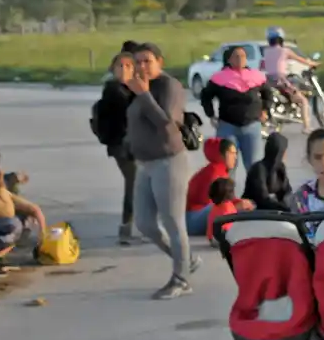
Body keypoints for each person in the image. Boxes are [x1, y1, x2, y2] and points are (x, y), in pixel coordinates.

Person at [127, 41, 199, 299]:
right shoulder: (136, 87)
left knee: (172, 221)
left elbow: (166, 123)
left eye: (148, 61)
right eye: (138, 61)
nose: (142, 66)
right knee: (145, 223)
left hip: (168, 161)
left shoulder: (170, 86)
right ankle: (186, 259)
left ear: (160, 62)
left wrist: (144, 94)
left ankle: (181, 279)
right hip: (144, 163)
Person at [94, 47, 142, 245]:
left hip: (136, 144)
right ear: (113, 69)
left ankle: (135, 225)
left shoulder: (133, 88)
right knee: (134, 182)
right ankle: (126, 227)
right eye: (120, 66)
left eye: (129, 66)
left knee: (138, 183)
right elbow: (125, 106)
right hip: (120, 145)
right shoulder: (113, 89)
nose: (124, 69)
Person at [200, 45, 267, 170]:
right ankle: (227, 189)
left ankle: (254, 190)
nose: (240, 59)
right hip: (227, 127)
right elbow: (206, 96)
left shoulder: (256, 76)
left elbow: (268, 93)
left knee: (253, 166)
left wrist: (265, 110)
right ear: (229, 60)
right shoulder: (219, 78)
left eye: (243, 56)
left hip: (252, 126)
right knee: (227, 166)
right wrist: (211, 115)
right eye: (236, 56)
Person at [185, 137, 236, 237]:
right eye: (232, 153)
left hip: (190, 219)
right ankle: (217, 235)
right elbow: (217, 203)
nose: (235, 157)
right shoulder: (215, 173)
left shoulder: (213, 169)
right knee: (229, 208)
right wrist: (238, 205)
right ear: (222, 155)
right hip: (193, 221)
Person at [262, 29, 313, 125]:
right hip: (281, 80)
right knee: (303, 100)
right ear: (281, 39)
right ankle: (306, 126)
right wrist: (313, 63)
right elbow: (301, 60)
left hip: (268, 80)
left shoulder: (266, 51)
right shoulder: (285, 51)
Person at [243, 132, 292, 212]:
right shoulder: (258, 169)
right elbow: (262, 199)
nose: (286, 154)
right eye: (284, 151)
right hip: (253, 212)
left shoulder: (280, 167)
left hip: (272, 210)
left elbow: (287, 191)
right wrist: (284, 208)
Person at [205, 177, 252, 245]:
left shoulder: (217, 205)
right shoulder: (226, 208)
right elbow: (225, 229)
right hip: (219, 238)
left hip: (211, 237)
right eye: (233, 190)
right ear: (228, 193)